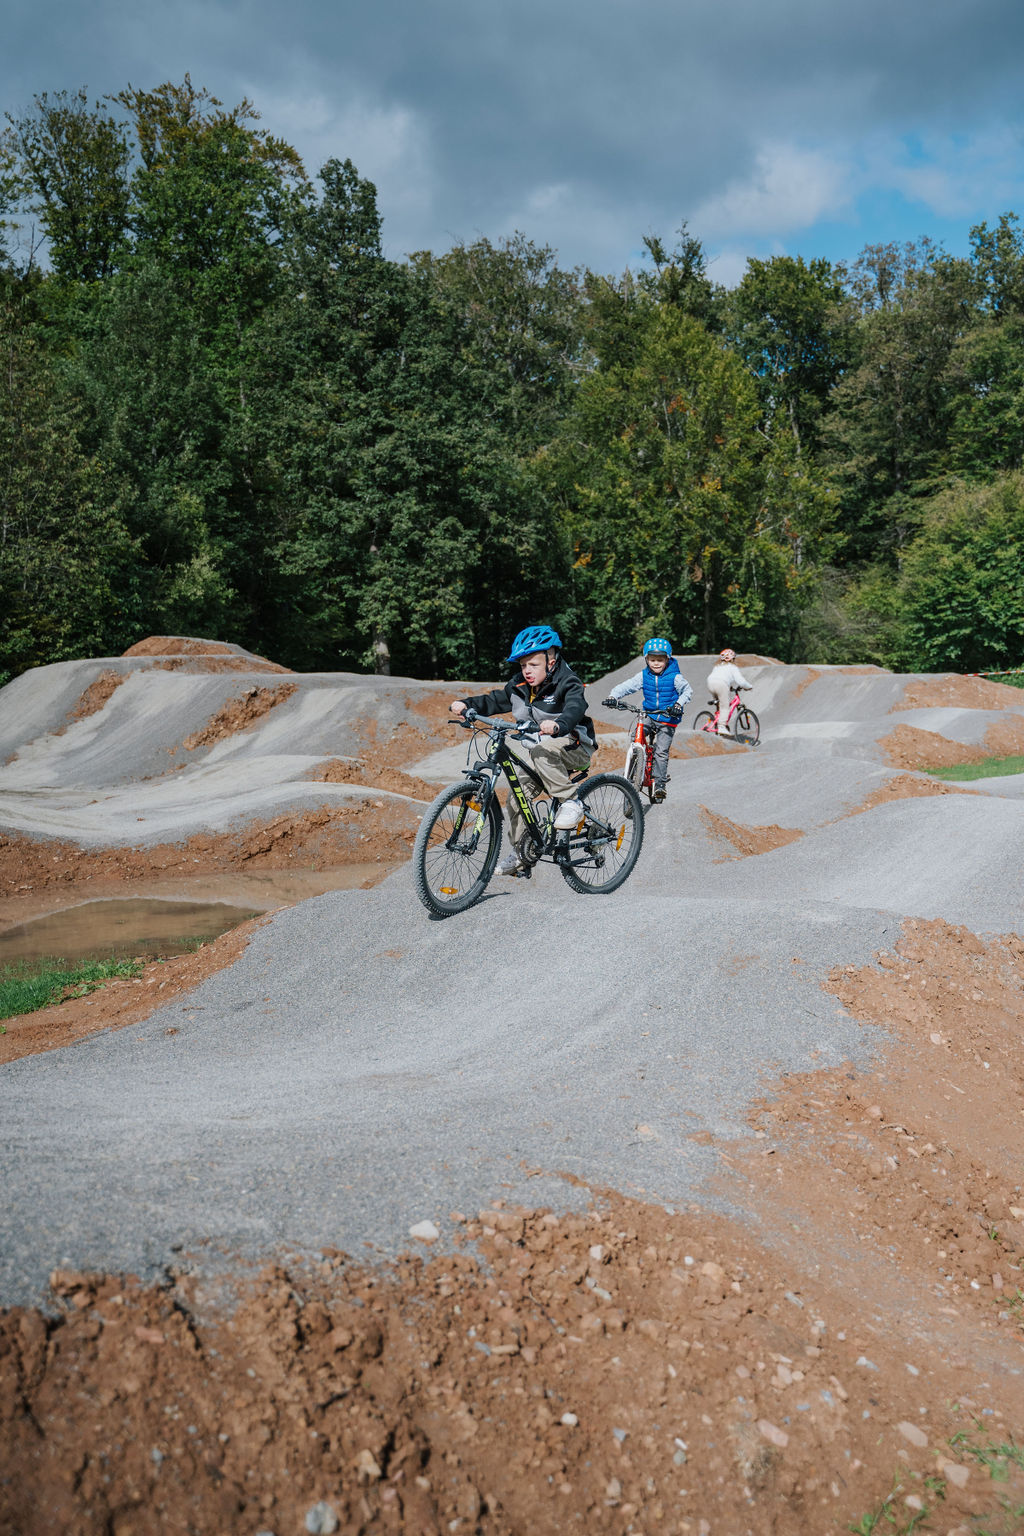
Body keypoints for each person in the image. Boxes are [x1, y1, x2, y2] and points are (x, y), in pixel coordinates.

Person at [450, 626, 596, 877]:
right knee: (517, 796)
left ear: (551, 662)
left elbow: (576, 705)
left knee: (541, 750)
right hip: (542, 752)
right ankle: (522, 853)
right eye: (523, 665)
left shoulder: (567, 681)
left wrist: (559, 724)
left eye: (534, 664)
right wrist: (467, 704)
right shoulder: (519, 685)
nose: (527, 670)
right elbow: (494, 700)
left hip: (574, 745)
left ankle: (571, 802)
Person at [600, 638, 693, 802]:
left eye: (660, 660)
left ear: (667, 659)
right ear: (646, 659)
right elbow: (627, 686)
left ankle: (659, 783)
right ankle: (635, 768)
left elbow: (687, 691)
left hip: (668, 717)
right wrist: (613, 696)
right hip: (649, 714)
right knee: (635, 736)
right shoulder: (643, 676)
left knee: (661, 752)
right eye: (652, 660)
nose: (656, 663)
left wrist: (678, 704)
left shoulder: (675, 677)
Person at [707, 648, 752, 735]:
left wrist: (729, 686)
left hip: (710, 683)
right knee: (725, 707)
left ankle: (717, 720)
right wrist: (749, 687)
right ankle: (722, 726)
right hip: (721, 684)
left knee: (720, 704)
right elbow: (741, 681)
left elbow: (719, 677)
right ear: (732, 659)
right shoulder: (732, 667)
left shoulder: (717, 666)